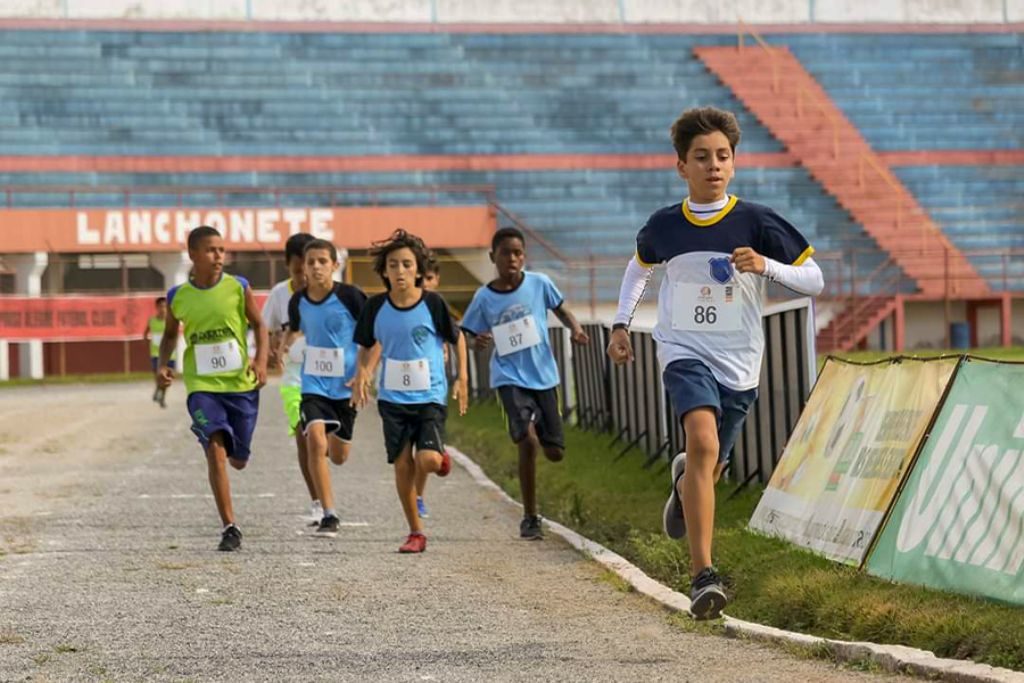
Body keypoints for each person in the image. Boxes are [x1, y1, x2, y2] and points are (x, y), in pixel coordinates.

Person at [606, 106, 824, 619]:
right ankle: (703, 575)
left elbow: (814, 278)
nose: (713, 165)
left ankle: (685, 484)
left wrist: (765, 265)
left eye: (722, 156)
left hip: (740, 364)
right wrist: (620, 325)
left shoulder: (757, 221)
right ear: (681, 166)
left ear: (734, 162)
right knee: (701, 442)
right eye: (701, 157)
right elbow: (637, 272)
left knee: (710, 465)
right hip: (684, 352)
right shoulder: (663, 226)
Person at [460, 227, 589, 540]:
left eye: (518, 253)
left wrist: (575, 328)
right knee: (527, 442)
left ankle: (545, 434)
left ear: (524, 256)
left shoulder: (539, 283)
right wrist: (477, 342)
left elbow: (561, 308)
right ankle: (530, 516)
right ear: (493, 257)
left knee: (554, 451)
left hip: (544, 376)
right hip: (508, 377)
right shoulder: (484, 297)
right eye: (505, 253)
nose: (513, 259)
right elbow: (468, 333)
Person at [351, 229, 468, 554]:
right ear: (384, 271)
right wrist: (362, 372)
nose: (400, 271)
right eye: (393, 265)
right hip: (392, 400)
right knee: (402, 464)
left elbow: (456, 338)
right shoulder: (375, 307)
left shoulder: (432, 303)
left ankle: (439, 459)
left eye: (406, 264)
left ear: (418, 270)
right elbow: (364, 345)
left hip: (429, 396)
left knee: (427, 460)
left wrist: (462, 379)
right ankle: (415, 531)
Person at [156, 226, 269, 552]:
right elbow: (168, 336)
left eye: (221, 249)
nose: (218, 255)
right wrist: (164, 367)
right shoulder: (179, 296)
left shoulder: (238, 287)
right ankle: (230, 527)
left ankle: (238, 450)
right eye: (210, 250)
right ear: (192, 254)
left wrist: (261, 362)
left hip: (240, 385)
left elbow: (260, 325)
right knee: (215, 446)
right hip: (202, 386)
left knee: (239, 459)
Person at [284, 239, 367, 537]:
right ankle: (329, 513)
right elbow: (294, 328)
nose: (316, 267)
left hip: (346, 386)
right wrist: (285, 342)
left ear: (335, 265)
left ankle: (334, 447)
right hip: (313, 383)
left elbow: (374, 337)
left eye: (322, 261)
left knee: (339, 455)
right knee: (315, 441)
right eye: (311, 262)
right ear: (303, 268)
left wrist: (364, 372)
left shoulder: (351, 296)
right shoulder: (298, 300)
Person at [261, 232, 322, 525]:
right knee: (304, 435)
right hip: (295, 378)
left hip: (327, 376)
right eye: (298, 267)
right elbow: (266, 328)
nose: (304, 273)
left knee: (328, 446)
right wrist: (272, 347)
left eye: (310, 265)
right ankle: (318, 501)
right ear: (288, 265)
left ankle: (324, 489)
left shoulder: (328, 294)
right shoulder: (279, 294)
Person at [144, 297, 174, 408]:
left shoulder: (170, 321)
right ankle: (158, 391)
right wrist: (147, 342)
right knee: (158, 376)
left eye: (165, 306)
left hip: (170, 354)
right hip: (156, 353)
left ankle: (162, 396)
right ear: (157, 307)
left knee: (167, 378)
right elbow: (146, 333)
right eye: (160, 306)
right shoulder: (152, 321)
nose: (163, 309)